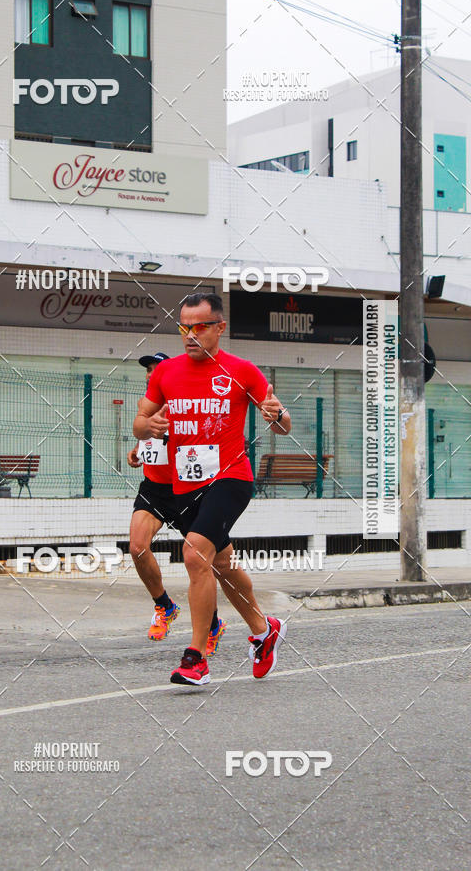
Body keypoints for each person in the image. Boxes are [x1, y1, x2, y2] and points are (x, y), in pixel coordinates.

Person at [133, 292, 292, 686]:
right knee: (220, 564)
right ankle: (263, 628)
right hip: (186, 484)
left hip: (230, 478)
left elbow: (281, 423)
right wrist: (147, 428)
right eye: (184, 326)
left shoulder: (242, 371)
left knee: (193, 556)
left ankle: (196, 657)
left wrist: (278, 414)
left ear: (219, 328)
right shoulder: (166, 373)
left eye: (200, 326)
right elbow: (140, 421)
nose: (190, 334)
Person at [128, 352, 226, 655]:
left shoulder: (185, 402)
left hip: (187, 489)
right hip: (154, 489)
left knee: (200, 562)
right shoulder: (147, 405)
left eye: (156, 369)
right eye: (148, 370)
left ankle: (212, 625)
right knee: (137, 547)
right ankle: (165, 606)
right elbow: (148, 435)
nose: (150, 374)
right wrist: (137, 450)